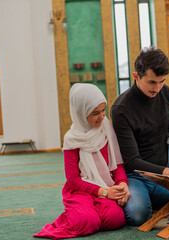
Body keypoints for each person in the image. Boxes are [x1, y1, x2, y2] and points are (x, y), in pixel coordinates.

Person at [110, 46, 169, 226]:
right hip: (137, 176)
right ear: (136, 76)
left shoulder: (166, 93)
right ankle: (143, 199)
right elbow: (132, 161)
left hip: (164, 175)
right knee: (138, 216)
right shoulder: (121, 109)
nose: (157, 88)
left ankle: (155, 199)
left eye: (162, 81)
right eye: (151, 82)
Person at [34, 83, 130, 239]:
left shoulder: (106, 128)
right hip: (81, 191)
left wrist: (122, 184)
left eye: (103, 110)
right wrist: (105, 192)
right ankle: (83, 214)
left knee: (116, 219)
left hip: (106, 186)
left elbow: (117, 164)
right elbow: (73, 180)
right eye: (94, 113)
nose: (101, 117)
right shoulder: (72, 140)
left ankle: (92, 213)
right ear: (80, 113)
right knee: (88, 222)